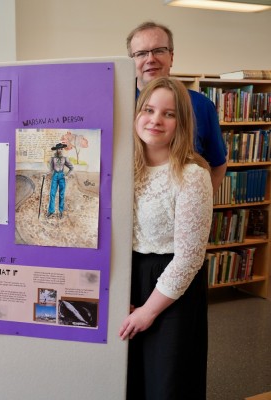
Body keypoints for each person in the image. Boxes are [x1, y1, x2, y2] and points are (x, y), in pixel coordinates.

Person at [118, 77, 213, 400]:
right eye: (149, 109)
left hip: (173, 289)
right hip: (128, 280)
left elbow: (189, 258)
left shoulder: (192, 176)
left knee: (167, 383)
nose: (156, 120)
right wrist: (118, 294)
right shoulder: (121, 170)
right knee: (126, 382)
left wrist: (148, 311)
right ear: (136, 113)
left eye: (169, 114)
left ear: (181, 123)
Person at [126, 21, 227, 192]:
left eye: (159, 50)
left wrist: (200, 203)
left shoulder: (201, 106)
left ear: (171, 57)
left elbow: (217, 165)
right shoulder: (117, 104)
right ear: (131, 62)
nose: (150, 59)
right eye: (141, 53)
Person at [47, 142, 73, 218]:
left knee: (61, 194)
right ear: (56, 150)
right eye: (58, 149)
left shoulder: (65, 158)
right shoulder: (53, 159)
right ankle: (51, 211)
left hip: (62, 176)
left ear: (62, 149)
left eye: (61, 149)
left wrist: (67, 175)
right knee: (52, 194)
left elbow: (71, 168)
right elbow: (51, 169)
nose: (60, 150)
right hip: (54, 176)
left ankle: (61, 211)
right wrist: (46, 174)